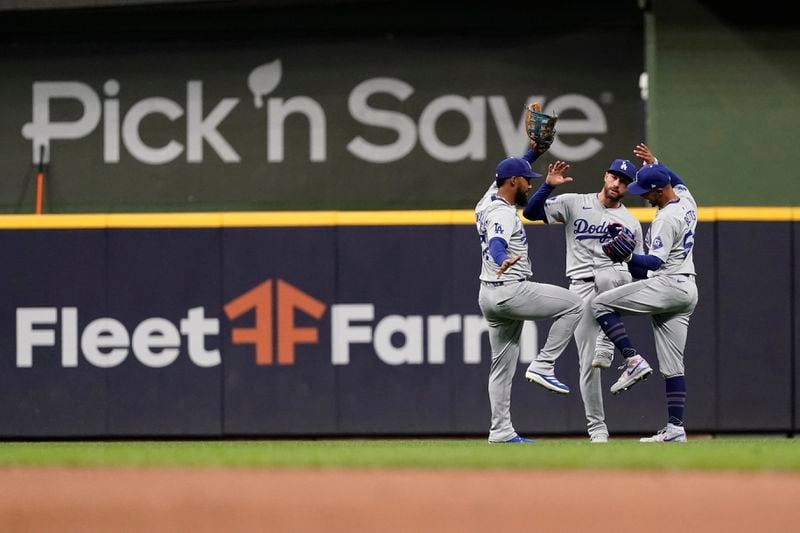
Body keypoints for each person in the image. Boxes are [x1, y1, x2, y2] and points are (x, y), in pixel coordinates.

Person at [520, 157, 643, 443]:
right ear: (605, 175)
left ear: (629, 187)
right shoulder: (575, 203)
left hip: (613, 283)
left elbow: (639, 269)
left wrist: (627, 256)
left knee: (610, 275)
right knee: (589, 365)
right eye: (614, 177)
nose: (617, 184)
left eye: (624, 181)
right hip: (581, 288)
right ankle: (598, 429)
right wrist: (548, 187)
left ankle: (607, 339)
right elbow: (530, 212)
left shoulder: (631, 222)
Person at [591, 143, 698, 443]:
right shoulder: (687, 201)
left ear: (659, 191)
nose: (644, 196)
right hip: (687, 289)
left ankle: (632, 359)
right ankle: (676, 429)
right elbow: (680, 182)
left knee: (600, 305)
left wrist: (626, 257)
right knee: (673, 366)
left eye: (647, 192)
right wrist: (656, 162)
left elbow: (653, 263)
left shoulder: (666, 218)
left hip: (669, 284)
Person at [475, 146, 583, 444]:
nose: (530, 183)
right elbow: (498, 241)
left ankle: (501, 431)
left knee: (501, 366)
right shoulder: (502, 213)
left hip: (489, 295)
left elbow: (515, 165)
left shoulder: (487, 200)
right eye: (526, 180)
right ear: (512, 183)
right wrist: (501, 259)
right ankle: (544, 364)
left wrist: (533, 150)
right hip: (510, 289)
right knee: (575, 305)